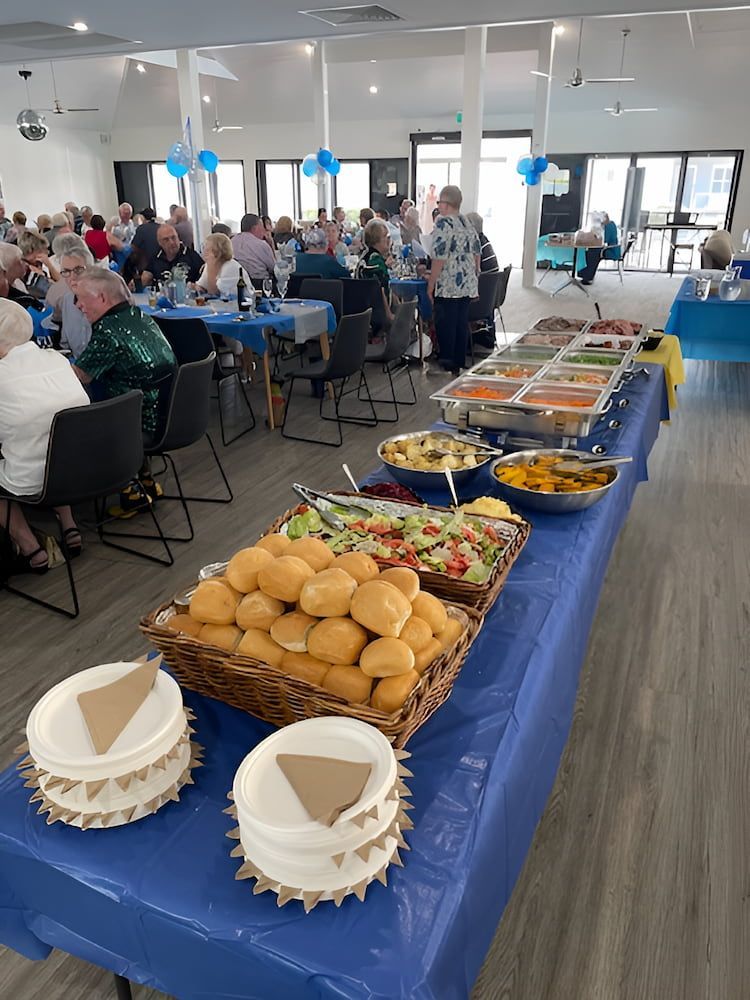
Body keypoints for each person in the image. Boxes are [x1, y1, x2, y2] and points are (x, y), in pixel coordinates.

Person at [73, 268, 177, 514]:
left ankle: (130, 491)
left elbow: (79, 376)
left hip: (137, 427)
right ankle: (146, 480)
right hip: (169, 418)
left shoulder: (107, 330)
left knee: (80, 420)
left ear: (101, 298)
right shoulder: (139, 316)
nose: (77, 305)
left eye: (80, 298)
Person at [0, 300, 89, 572]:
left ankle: (31, 548)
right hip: (83, 470)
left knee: (39, 443)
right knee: (53, 441)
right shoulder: (57, 359)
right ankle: (69, 525)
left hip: (32, 479)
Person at [427, 184, 480, 376]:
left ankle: (447, 364)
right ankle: (458, 362)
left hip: (449, 284)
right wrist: (475, 273)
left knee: (445, 323)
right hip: (466, 282)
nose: (438, 205)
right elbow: (476, 252)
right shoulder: (466, 222)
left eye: (440, 202)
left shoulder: (443, 223)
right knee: (459, 323)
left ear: (447, 204)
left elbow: (439, 257)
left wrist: (431, 283)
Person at [52, 240, 96, 357]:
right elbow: (65, 344)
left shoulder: (105, 301)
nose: (72, 277)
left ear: (92, 270)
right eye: (66, 271)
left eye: (78, 270)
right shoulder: (66, 301)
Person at [355, 218, 394, 330]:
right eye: (385, 237)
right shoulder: (375, 260)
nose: (388, 240)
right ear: (376, 240)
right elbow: (379, 289)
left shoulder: (367, 255)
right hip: (375, 312)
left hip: (365, 308)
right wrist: (389, 315)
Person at [577, 212, 621, 284]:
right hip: (609, 248)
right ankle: (586, 274)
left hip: (612, 250)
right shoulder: (610, 224)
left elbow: (605, 239)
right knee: (591, 251)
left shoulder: (609, 226)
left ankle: (587, 276)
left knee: (593, 252)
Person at [232, 213, 276, 282]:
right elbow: (274, 268)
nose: (264, 230)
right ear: (254, 228)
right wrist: (271, 245)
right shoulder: (261, 244)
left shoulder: (231, 242)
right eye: (262, 227)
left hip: (237, 283)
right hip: (260, 284)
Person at [18, 231, 59, 300]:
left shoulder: (33, 265)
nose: (47, 252)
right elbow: (58, 292)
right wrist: (49, 266)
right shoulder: (29, 272)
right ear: (33, 250)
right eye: (44, 249)